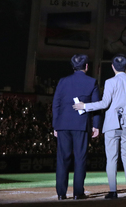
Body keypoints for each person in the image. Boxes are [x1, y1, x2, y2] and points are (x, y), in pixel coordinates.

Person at [73, 54, 126, 199]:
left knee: (112, 158)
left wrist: (84, 106)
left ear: (112, 67)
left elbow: (104, 104)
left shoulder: (110, 82)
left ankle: (113, 191)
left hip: (112, 124)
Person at [52, 54, 101, 200]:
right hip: (81, 125)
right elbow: (96, 107)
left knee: (62, 159)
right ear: (86, 66)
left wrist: (55, 125)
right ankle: (78, 193)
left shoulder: (62, 81)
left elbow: (56, 105)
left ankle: (61, 193)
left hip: (63, 125)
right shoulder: (92, 82)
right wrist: (96, 125)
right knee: (80, 159)